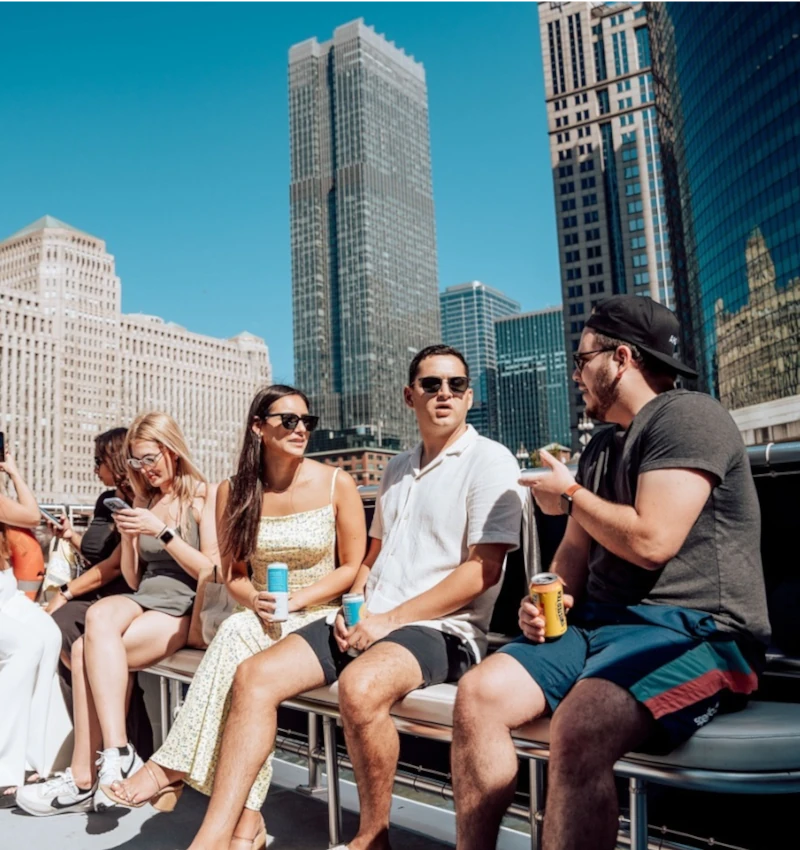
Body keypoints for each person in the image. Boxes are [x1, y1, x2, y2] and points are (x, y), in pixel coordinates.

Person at [450, 295, 771, 850]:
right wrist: (544, 596)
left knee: (579, 727)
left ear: (621, 358)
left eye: (582, 360)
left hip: (704, 634)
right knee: (477, 695)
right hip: (600, 627)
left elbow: (652, 540)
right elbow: (575, 548)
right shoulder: (602, 446)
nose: (576, 374)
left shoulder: (689, 417)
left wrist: (571, 493)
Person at [183, 344, 526, 850]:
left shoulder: (489, 460)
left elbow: (482, 571)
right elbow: (371, 557)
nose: (444, 394)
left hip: (446, 629)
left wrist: (386, 621)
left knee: (360, 687)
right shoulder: (396, 469)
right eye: (431, 385)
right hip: (373, 620)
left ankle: (371, 837)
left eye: (455, 385)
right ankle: (214, 836)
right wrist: (358, 606)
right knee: (254, 677)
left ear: (470, 396)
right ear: (411, 396)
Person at [104, 384, 367, 848]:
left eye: (308, 421)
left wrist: (301, 599)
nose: (300, 429)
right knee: (243, 649)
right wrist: (255, 600)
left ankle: (172, 767)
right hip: (264, 614)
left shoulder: (336, 483)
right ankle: (245, 824)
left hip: (322, 615)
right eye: (288, 420)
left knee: (241, 653)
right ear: (258, 428)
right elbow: (235, 574)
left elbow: (351, 566)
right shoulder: (233, 491)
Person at [17, 412, 217, 817]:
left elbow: (210, 570)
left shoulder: (202, 495)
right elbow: (131, 576)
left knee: (89, 654)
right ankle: (117, 751)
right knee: (96, 620)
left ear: (171, 450)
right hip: (145, 596)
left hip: (184, 606)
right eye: (137, 462)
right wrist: (128, 539)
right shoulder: (144, 499)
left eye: (150, 458)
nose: (145, 469)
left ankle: (84, 777)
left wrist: (162, 532)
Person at [45, 427, 153, 760]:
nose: (94, 469)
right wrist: (70, 537)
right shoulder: (105, 501)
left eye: (98, 460)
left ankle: (122, 746)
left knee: (60, 628)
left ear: (115, 460)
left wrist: (64, 592)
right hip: (96, 592)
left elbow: (116, 567)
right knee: (56, 636)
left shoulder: (137, 501)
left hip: (121, 594)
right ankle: (88, 746)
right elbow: (100, 556)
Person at [0, 453, 69, 806]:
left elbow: (31, 514)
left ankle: (32, 759)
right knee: (24, 645)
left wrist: (12, 471)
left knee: (49, 634)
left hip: (5, 590)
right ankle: (3, 770)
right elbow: (30, 514)